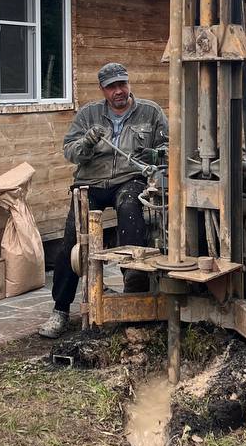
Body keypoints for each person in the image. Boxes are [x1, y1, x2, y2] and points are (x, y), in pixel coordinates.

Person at [40, 62, 168, 338]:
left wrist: (157, 155)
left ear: (129, 83)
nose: (119, 91)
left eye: (122, 84)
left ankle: (133, 295)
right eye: (112, 87)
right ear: (103, 90)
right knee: (72, 239)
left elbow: (170, 147)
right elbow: (70, 152)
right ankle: (60, 309)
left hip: (130, 179)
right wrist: (86, 143)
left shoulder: (150, 112)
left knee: (131, 213)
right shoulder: (88, 114)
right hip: (91, 182)